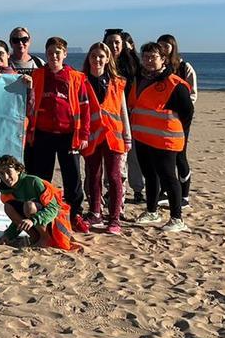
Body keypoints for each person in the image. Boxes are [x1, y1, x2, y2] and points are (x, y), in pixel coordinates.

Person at [25, 36, 94, 234]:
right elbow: (28, 98)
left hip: (68, 135)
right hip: (43, 134)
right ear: (45, 54)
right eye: (50, 53)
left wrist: (83, 135)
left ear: (65, 54)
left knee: (72, 177)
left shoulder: (76, 77)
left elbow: (85, 107)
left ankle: (75, 214)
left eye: (58, 52)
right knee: (42, 177)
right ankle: (43, 213)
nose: (54, 56)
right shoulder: (38, 75)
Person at [131, 42, 194, 233]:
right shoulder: (138, 80)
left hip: (166, 140)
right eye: (146, 57)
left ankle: (176, 218)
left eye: (154, 57)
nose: (149, 61)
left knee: (169, 178)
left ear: (163, 59)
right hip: (143, 138)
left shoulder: (175, 84)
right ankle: (152, 210)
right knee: (150, 176)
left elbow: (187, 113)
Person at [82, 43, 131, 235]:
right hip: (92, 137)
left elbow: (122, 110)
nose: (97, 59)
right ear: (89, 58)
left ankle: (115, 218)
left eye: (101, 56)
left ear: (108, 58)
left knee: (114, 176)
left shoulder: (117, 82)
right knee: (93, 175)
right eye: (94, 55)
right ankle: (95, 212)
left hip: (114, 136)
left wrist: (128, 137)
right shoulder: (82, 80)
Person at [0, 155, 78, 251]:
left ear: (18, 170)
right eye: (1, 173)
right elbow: (18, 219)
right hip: (36, 222)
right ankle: (35, 237)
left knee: (29, 206)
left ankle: (45, 239)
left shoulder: (33, 182)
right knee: (8, 207)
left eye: (8, 172)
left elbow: (53, 208)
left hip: (54, 221)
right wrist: (8, 235)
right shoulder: (7, 191)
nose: (6, 177)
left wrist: (33, 220)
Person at [158, 33, 197, 207]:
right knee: (164, 156)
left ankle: (185, 194)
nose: (164, 49)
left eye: (166, 46)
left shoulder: (184, 67)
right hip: (161, 119)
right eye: (161, 46)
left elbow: (192, 94)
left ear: (173, 47)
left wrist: (180, 109)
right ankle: (165, 191)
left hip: (180, 119)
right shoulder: (158, 68)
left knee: (180, 155)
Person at [105, 29, 143, 202]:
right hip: (109, 116)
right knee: (111, 154)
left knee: (132, 154)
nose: (114, 46)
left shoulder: (133, 64)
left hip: (130, 114)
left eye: (117, 43)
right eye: (110, 42)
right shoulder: (100, 62)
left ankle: (137, 189)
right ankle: (111, 188)